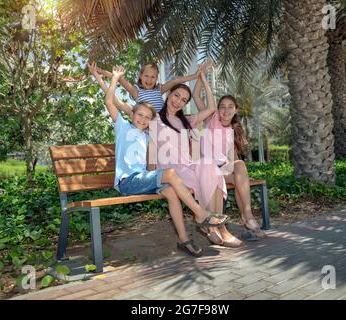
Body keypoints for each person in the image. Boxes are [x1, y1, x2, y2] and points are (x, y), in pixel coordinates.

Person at [88, 62, 227, 257]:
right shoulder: (122, 127)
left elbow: (156, 146)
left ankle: (184, 240)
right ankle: (201, 214)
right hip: (127, 181)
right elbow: (112, 102)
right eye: (139, 115)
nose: (143, 120)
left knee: (170, 191)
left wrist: (199, 77)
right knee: (169, 173)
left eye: (147, 117)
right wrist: (109, 79)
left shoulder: (147, 133)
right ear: (132, 114)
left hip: (145, 178)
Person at [150, 67, 243, 248]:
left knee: (211, 169)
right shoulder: (154, 119)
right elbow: (151, 147)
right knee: (210, 176)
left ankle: (215, 226)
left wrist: (203, 78)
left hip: (189, 166)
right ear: (169, 94)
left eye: (184, 100)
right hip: (172, 170)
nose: (178, 102)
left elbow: (210, 108)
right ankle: (217, 228)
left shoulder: (187, 120)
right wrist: (153, 172)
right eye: (176, 96)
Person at [193, 78, 267, 240]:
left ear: (236, 110)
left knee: (240, 167)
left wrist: (243, 176)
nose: (226, 111)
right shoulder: (210, 120)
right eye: (222, 107)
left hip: (223, 170)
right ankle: (247, 219)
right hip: (206, 170)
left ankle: (247, 216)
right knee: (240, 178)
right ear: (217, 109)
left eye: (230, 107)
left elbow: (232, 159)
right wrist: (202, 76)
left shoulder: (234, 130)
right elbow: (196, 95)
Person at [97, 62, 200, 112]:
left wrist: (195, 76)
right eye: (146, 76)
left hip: (162, 123)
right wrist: (101, 71)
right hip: (146, 124)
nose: (149, 80)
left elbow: (175, 81)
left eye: (153, 77)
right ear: (141, 76)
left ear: (156, 78)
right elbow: (119, 79)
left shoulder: (159, 89)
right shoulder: (136, 91)